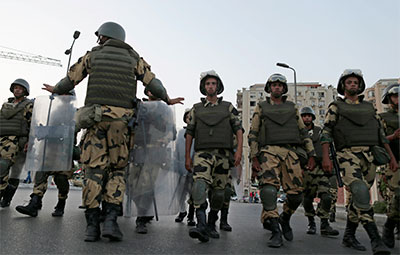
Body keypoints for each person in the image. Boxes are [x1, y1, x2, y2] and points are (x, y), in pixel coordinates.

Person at [42, 21, 183, 242]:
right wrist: (167, 99)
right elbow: (153, 83)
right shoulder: (134, 57)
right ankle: (110, 222)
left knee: (94, 172)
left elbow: (71, 79)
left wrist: (56, 89)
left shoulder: (92, 55)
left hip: (95, 120)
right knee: (117, 172)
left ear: (104, 37)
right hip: (122, 125)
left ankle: (91, 226)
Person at [321, 69, 397, 255]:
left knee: (358, 199)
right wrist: (325, 158)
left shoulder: (370, 109)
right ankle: (375, 239)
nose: (353, 84)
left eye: (356, 82)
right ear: (343, 86)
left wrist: (392, 158)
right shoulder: (336, 106)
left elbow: (381, 137)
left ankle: (349, 235)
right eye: (349, 82)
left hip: (369, 156)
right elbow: (326, 132)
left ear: (360, 85)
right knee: (360, 191)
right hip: (347, 155)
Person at [248, 73, 316, 248]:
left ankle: (285, 218)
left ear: (284, 88)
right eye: (274, 85)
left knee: (296, 195)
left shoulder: (292, 108)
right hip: (268, 152)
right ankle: (276, 230)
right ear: (269, 88)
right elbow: (253, 133)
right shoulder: (261, 107)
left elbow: (303, 133)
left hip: (290, 153)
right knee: (269, 190)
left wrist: (311, 155)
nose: (277, 87)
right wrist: (254, 158)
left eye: (280, 85)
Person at [185, 70, 243, 242]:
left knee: (219, 194)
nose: (210, 86)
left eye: (213, 83)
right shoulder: (196, 109)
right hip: (203, 153)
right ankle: (201, 224)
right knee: (199, 185)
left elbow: (238, 129)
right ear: (203, 87)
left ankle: (212, 223)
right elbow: (189, 133)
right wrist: (187, 156)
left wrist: (238, 151)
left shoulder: (229, 107)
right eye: (207, 84)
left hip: (223, 155)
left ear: (218, 87)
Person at [300, 106, 339, 236]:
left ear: (312, 118)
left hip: (320, 167)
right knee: (308, 197)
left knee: (326, 195)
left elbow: (327, 146)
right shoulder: (297, 132)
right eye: (304, 116)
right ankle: (311, 222)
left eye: (309, 116)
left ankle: (324, 223)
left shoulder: (319, 131)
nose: (306, 118)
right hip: (305, 168)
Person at [0, 79, 33, 208]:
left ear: (25, 91)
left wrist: (30, 141)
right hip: (2, 139)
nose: (17, 90)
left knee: (15, 172)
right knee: (3, 168)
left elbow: (32, 124)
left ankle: (6, 198)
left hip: (18, 141)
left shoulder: (28, 105)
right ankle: (4, 193)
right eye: (15, 88)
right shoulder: (6, 105)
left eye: (20, 88)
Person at [379, 83, 399, 249]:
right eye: (395, 96)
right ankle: (389, 227)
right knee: (398, 196)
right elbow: (380, 140)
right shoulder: (384, 118)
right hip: (394, 161)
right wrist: (393, 136)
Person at [174, 109, 196, 226]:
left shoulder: (198, 133)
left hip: (194, 168)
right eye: (188, 117)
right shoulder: (181, 133)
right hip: (181, 167)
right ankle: (182, 211)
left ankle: (191, 216)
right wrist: (175, 164)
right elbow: (177, 150)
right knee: (180, 192)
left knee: (193, 192)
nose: (189, 119)